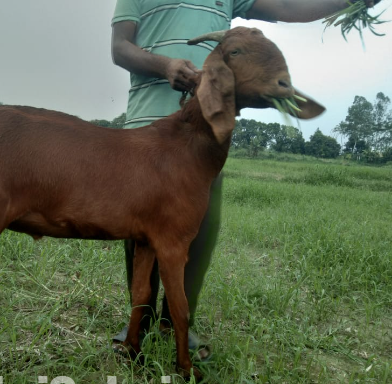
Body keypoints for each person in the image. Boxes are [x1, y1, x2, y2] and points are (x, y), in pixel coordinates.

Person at [110, 0, 380, 360]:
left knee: (202, 225)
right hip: (145, 124)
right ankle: (139, 321)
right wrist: (166, 66)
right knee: (139, 232)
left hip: (207, 125)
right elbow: (120, 47)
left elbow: (287, 7)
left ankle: (178, 325)